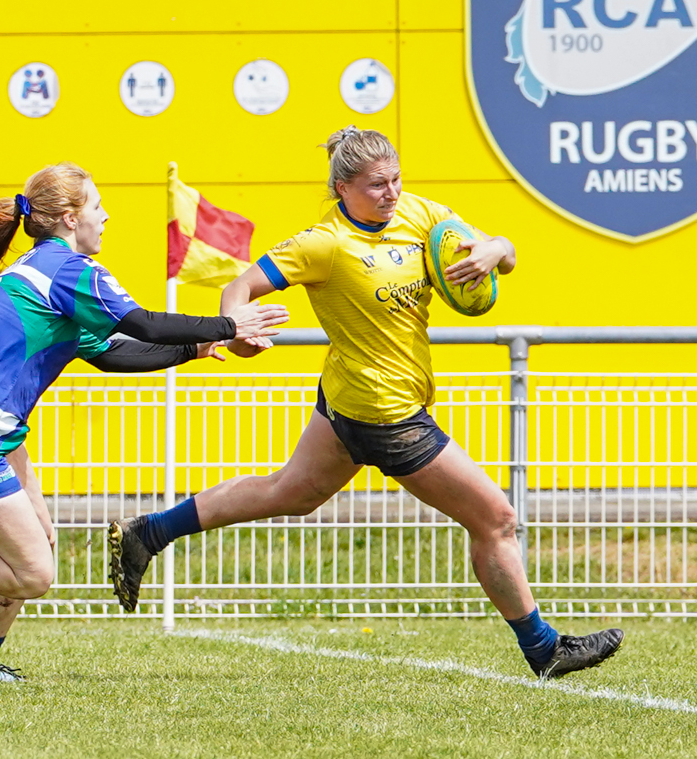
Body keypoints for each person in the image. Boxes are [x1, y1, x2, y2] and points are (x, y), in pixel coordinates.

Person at [107, 126, 623, 679]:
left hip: (346, 399)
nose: (392, 192)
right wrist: (239, 330)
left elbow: (507, 255)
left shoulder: (421, 215)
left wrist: (495, 249)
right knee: (496, 518)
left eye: (396, 179)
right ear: (342, 188)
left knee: (290, 493)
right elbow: (239, 286)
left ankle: (149, 532)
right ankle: (545, 650)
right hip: (384, 412)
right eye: (377, 185)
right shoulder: (323, 242)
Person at [0, 162, 288, 681]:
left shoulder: (46, 269)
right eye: (98, 206)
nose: (106, 216)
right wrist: (228, 323)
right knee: (33, 574)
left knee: (37, 544)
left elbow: (113, 353)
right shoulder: (67, 270)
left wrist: (198, 346)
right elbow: (142, 323)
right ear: (71, 218)